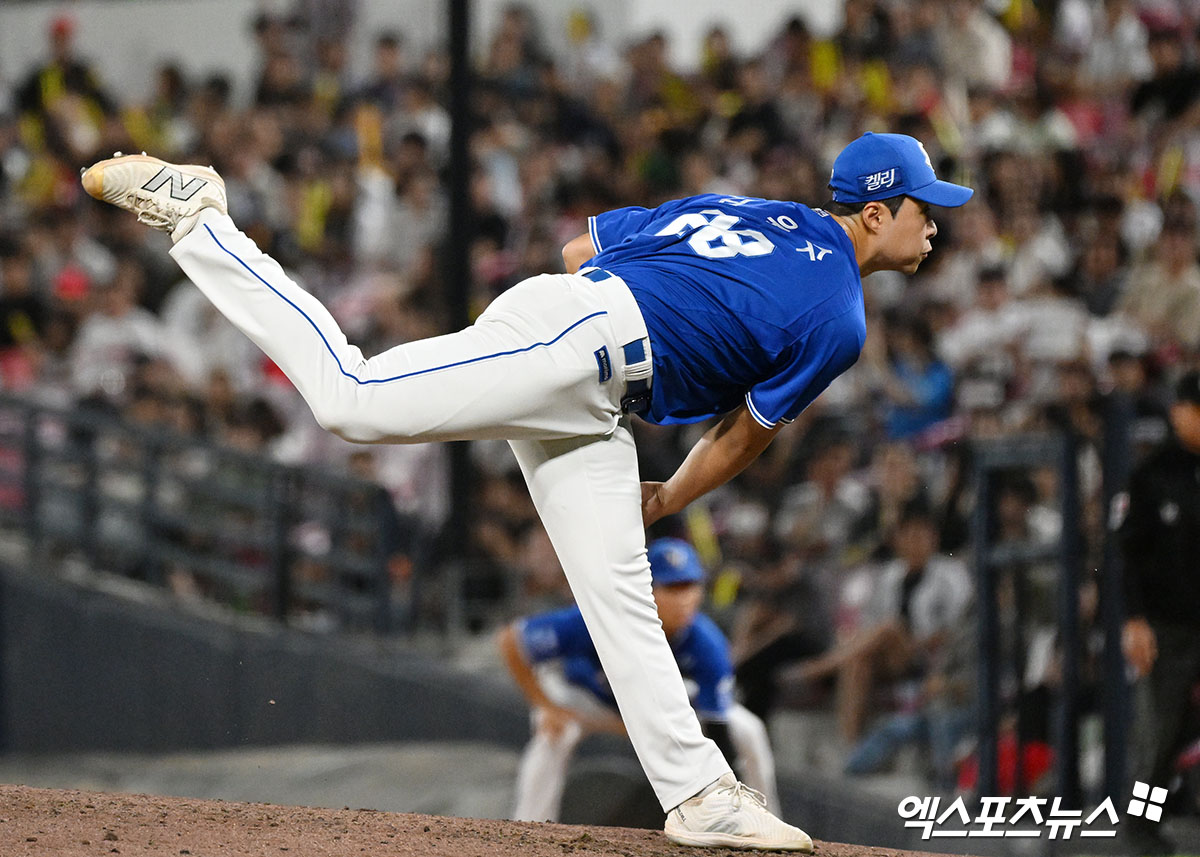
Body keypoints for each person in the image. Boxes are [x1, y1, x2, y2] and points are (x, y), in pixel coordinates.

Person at [80, 131, 971, 851]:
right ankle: (203, 224)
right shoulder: (838, 313)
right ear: (876, 211)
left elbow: (582, 242)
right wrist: (670, 494)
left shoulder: (752, 209)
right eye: (925, 211)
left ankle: (700, 793)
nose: (935, 227)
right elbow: (742, 433)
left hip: (589, 370)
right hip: (581, 349)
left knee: (620, 592)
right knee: (351, 400)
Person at [499, 537, 780, 822]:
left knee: (748, 729)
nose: (684, 597)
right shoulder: (600, 619)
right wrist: (544, 704)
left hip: (657, 710)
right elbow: (512, 641)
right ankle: (528, 827)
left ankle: (764, 822)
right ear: (645, 590)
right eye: (672, 587)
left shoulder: (707, 644)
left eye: (690, 585)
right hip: (589, 699)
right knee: (554, 734)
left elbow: (718, 729)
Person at [1116, 370, 1200, 856]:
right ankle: (1142, 825)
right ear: (1179, 411)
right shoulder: (1153, 475)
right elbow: (1124, 553)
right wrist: (1134, 619)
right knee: (1164, 734)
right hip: (1168, 626)